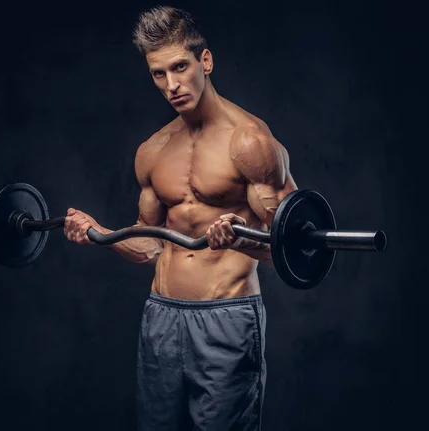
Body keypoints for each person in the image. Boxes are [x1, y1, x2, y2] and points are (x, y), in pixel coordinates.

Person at [63, 6, 298, 430]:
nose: (171, 85)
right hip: (161, 318)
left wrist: (241, 240)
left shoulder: (250, 143)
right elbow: (151, 244)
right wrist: (101, 234)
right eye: (158, 74)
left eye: (180, 67)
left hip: (226, 317)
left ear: (204, 61)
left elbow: (292, 251)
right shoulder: (153, 151)